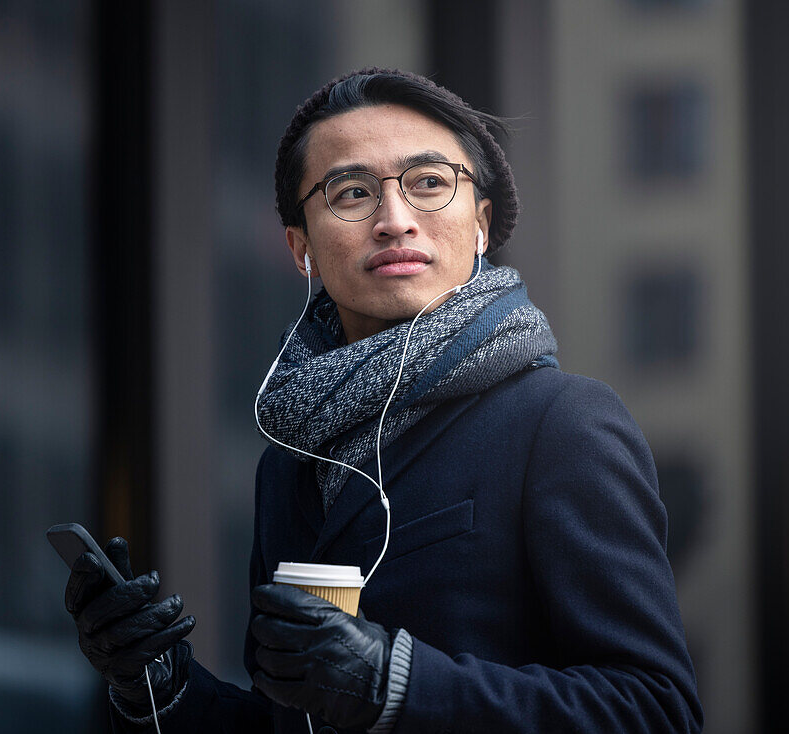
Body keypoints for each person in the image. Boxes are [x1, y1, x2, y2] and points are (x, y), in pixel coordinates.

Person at [63, 68, 703, 733]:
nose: (395, 221)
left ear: (481, 225)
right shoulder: (288, 459)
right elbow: (293, 721)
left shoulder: (562, 422)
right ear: (300, 247)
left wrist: (395, 683)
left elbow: (655, 710)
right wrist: (159, 687)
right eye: (351, 193)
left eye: (429, 184)